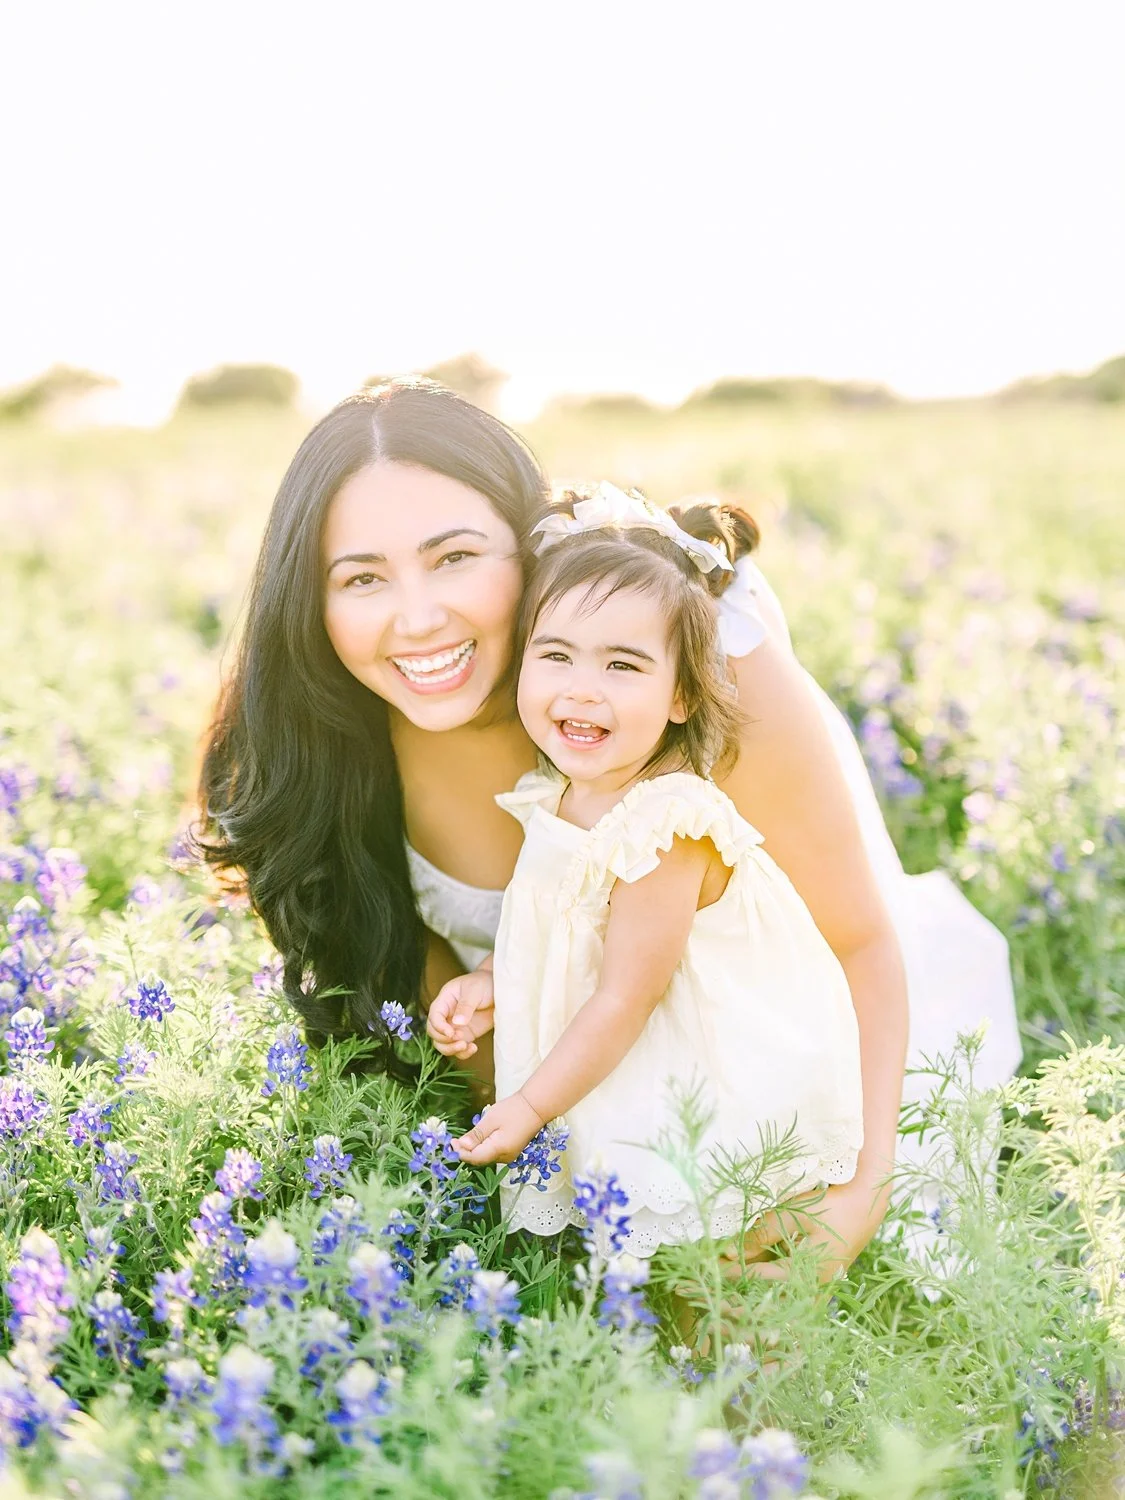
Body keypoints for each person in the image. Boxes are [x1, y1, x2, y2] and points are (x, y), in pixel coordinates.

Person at [197, 378, 1018, 1274]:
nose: (418, 617)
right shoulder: (321, 739)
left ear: (533, 547)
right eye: (361, 578)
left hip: (809, 1068)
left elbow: (858, 943)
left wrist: (863, 1186)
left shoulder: (693, 675)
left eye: (456, 558)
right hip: (589, 1113)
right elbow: (448, 1017)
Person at [428, 495, 866, 1260]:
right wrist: (495, 978)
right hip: (610, 1059)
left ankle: (725, 1351)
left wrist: (529, 1105)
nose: (582, 687)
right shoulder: (556, 791)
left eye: (622, 665)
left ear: (681, 695)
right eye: (555, 654)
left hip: (694, 1072)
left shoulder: (667, 826)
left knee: (704, 1251)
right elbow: (563, 923)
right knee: (635, 1250)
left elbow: (628, 994)